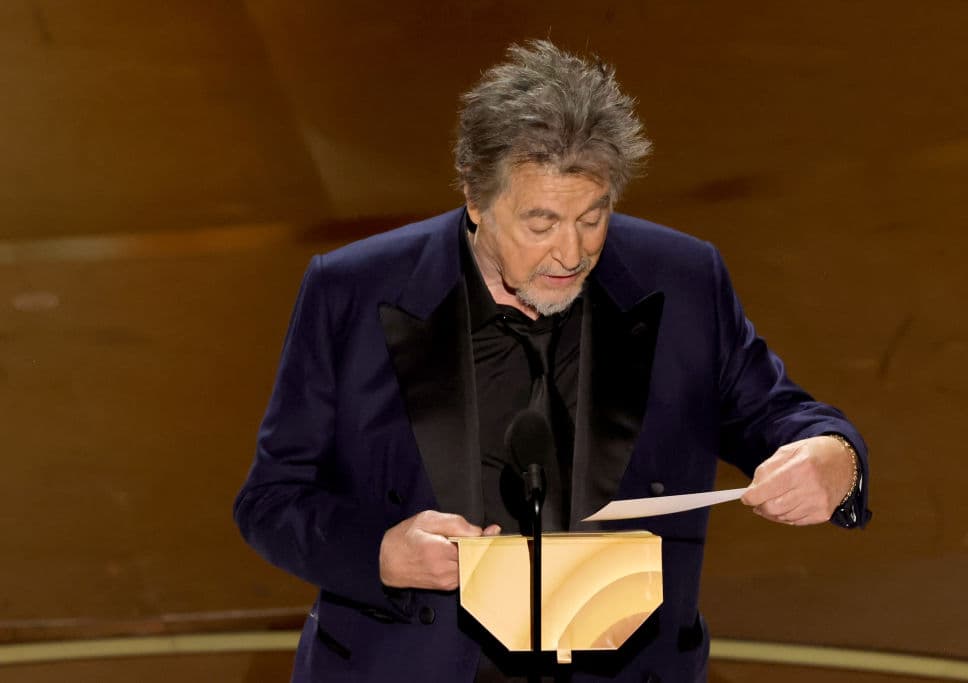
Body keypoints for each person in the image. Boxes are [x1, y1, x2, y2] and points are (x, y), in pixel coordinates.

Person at [234, 40, 870, 683]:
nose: (571, 252)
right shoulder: (354, 290)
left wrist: (833, 458)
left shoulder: (682, 279)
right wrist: (380, 553)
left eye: (593, 218)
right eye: (540, 224)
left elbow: (780, 415)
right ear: (476, 201)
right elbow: (272, 498)